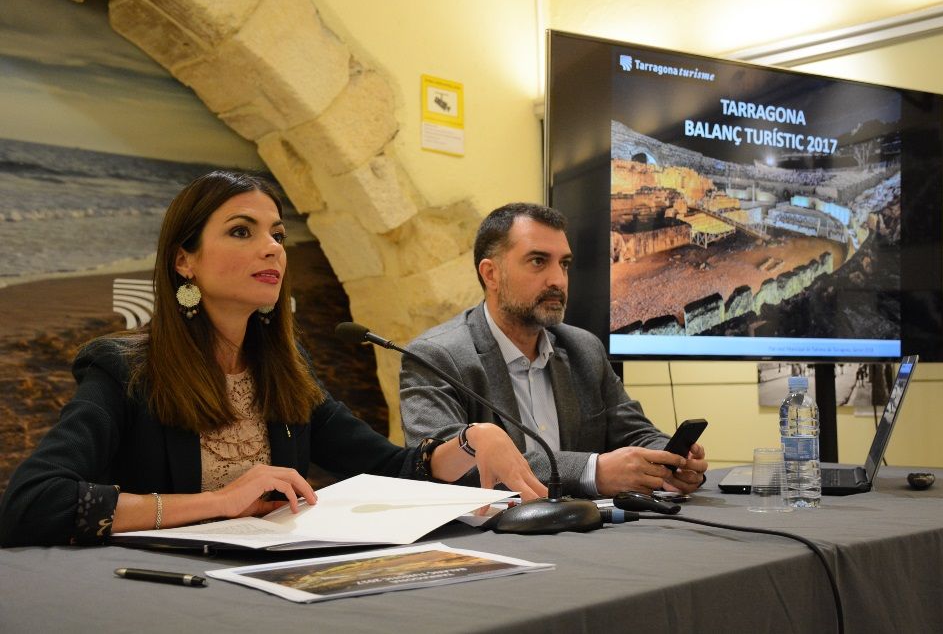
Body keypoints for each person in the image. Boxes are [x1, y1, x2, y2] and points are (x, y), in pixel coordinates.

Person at [0, 172, 545, 547]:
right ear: (184, 260)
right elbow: (32, 502)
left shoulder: (284, 369)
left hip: (270, 581)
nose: (273, 248)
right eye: (242, 231)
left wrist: (471, 440)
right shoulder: (124, 369)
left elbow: (389, 468)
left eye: (278, 235)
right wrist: (218, 502)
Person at [400, 203, 708, 498]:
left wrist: (671, 459)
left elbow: (634, 433)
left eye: (564, 264)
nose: (558, 280)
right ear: (491, 274)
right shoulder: (435, 357)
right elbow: (444, 469)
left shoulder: (584, 348)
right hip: (495, 531)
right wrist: (592, 471)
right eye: (538, 261)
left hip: (594, 525)